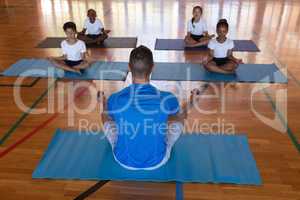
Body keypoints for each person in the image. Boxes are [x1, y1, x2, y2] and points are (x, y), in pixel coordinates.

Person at [98, 45, 201, 170]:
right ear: (153, 67)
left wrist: (104, 103)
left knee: (106, 117)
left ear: (129, 67)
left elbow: (108, 117)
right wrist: (192, 101)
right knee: (179, 120)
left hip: (123, 160)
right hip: (157, 161)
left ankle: (101, 102)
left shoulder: (115, 99)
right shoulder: (167, 98)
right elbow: (182, 115)